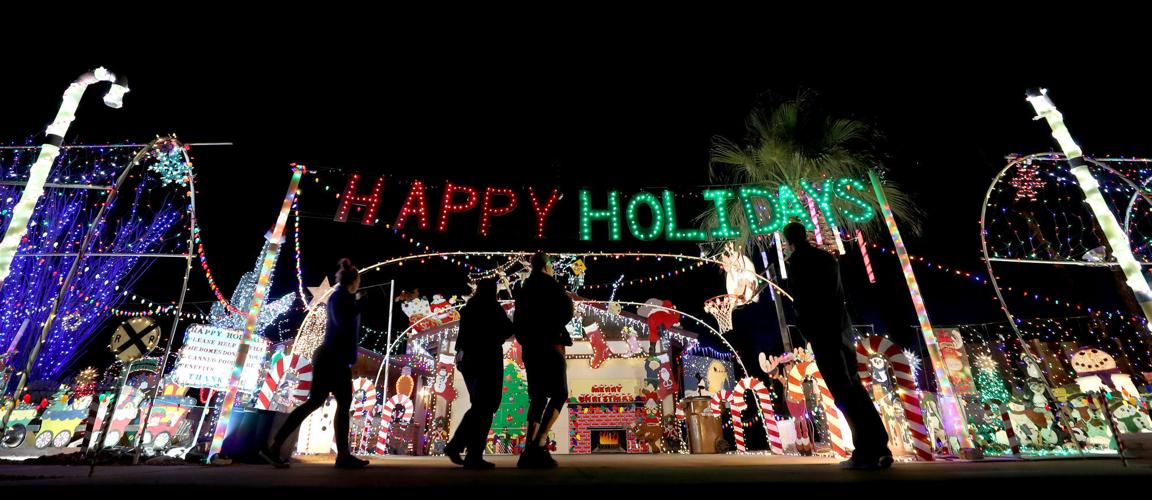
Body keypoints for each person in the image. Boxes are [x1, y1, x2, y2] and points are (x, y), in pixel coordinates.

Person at [782, 222, 892, 470]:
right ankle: (879, 446)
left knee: (843, 392)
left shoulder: (799, 263)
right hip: (841, 328)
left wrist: (807, 331)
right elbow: (836, 293)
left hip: (823, 331)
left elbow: (802, 302)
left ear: (789, 241)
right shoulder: (826, 259)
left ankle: (865, 450)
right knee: (853, 387)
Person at [260, 259, 370, 469]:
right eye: (358, 280)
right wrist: (359, 305)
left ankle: (276, 446)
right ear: (353, 281)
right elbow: (342, 322)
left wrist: (356, 305)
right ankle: (273, 446)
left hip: (337, 359)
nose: (359, 284)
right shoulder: (339, 297)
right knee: (318, 402)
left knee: (335, 403)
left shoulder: (345, 298)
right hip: (331, 358)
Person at [513, 251, 573, 468]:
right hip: (550, 344)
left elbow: (517, 321)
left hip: (530, 347)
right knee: (560, 393)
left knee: (537, 396)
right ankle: (539, 441)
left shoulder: (524, 288)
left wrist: (526, 339)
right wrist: (553, 327)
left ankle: (528, 447)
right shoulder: (553, 286)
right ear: (547, 265)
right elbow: (567, 311)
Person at [445, 279, 513, 469]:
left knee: (480, 406)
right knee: (486, 406)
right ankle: (466, 451)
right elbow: (508, 328)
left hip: (468, 360)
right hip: (487, 359)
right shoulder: (492, 307)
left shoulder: (469, 308)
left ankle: (466, 451)